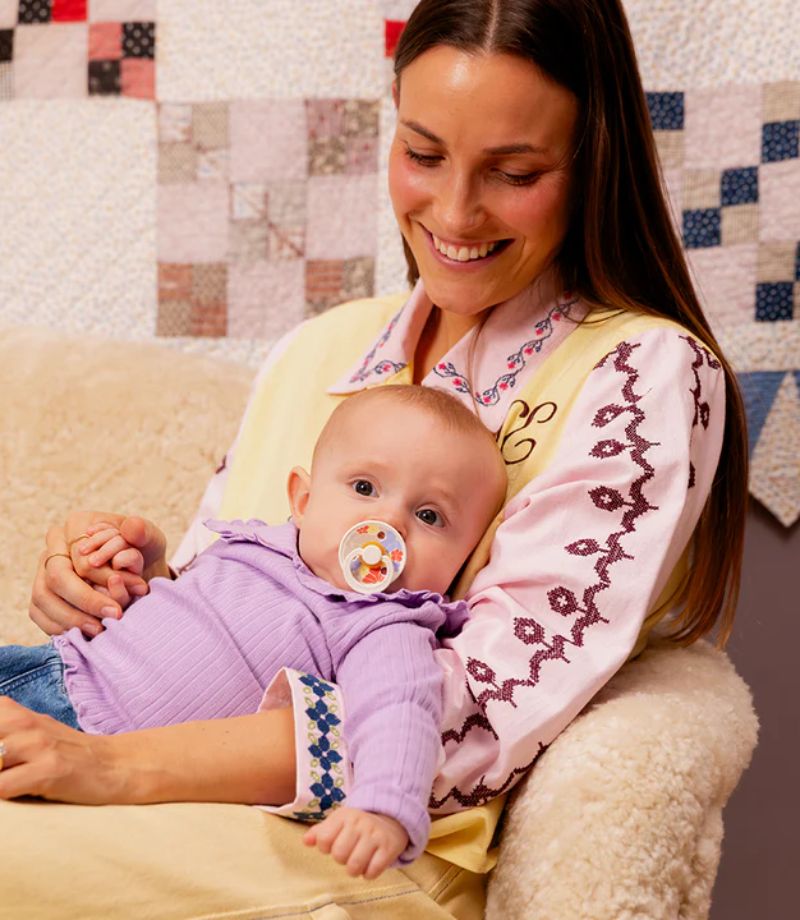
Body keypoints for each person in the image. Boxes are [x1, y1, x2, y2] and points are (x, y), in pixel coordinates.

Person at [0, 0, 748, 916]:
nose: (455, 212)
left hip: (362, 845)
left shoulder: (640, 374)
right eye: (424, 154)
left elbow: (464, 723)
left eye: (514, 172)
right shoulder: (320, 349)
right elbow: (245, 626)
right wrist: (123, 589)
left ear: (594, 163)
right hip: (140, 760)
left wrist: (109, 766)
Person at [0, 385, 507, 878]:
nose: (388, 521)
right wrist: (134, 580)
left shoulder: (382, 626)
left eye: (429, 516)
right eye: (364, 488)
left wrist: (385, 808)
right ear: (303, 499)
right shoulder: (255, 544)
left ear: (464, 560)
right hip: (48, 668)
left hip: (89, 742)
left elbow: (400, 709)